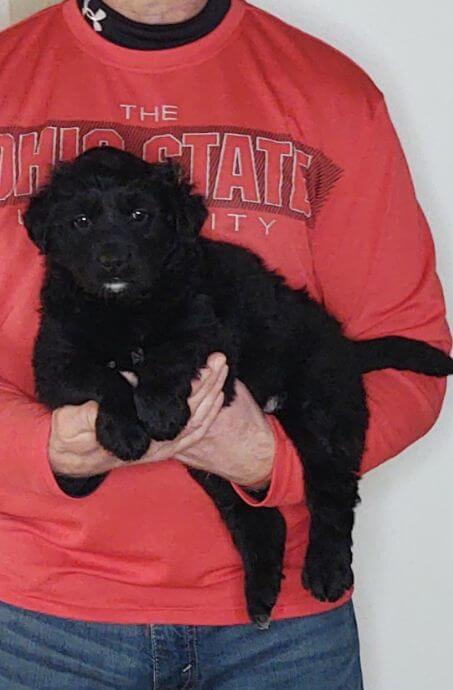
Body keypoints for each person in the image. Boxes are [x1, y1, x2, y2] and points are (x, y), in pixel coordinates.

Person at [0, 1, 449, 688]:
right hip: (38, 619)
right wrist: (42, 449)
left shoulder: (331, 93)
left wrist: (276, 458)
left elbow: (408, 357)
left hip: (287, 634)